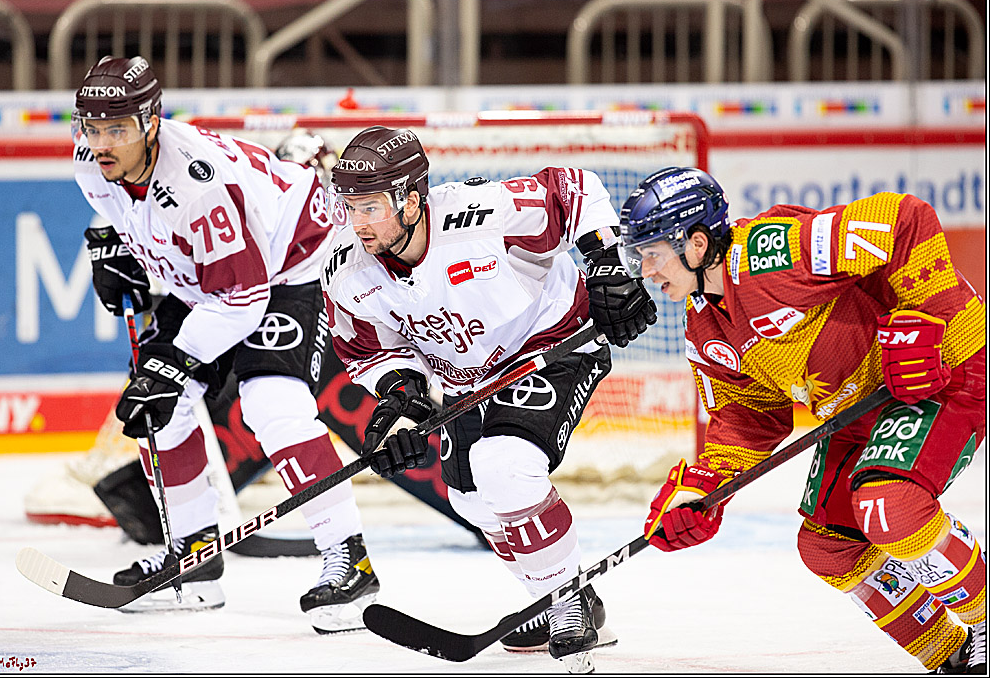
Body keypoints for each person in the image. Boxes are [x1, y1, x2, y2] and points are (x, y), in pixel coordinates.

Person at [619, 167, 986, 673]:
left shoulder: (771, 254)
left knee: (890, 507)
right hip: (864, 408)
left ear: (697, 244)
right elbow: (748, 417)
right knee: (828, 547)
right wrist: (703, 486)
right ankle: (953, 655)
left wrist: (928, 320)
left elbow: (903, 219)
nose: (645, 270)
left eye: (652, 253)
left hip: (945, 370)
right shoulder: (704, 326)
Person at [320, 125, 657, 672]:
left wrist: (608, 266)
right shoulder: (346, 269)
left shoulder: (483, 215)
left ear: (410, 200)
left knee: (505, 465)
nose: (357, 222)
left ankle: (566, 608)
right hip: (467, 381)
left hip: (551, 345)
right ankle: (560, 593)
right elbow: (367, 348)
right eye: (350, 207)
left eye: (370, 207)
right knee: (471, 501)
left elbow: (575, 189)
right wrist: (401, 394)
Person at [73, 55, 379, 631]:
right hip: (211, 275)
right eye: (93, 128)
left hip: (293, 260)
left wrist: (176, 360)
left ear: (151, 123)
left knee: (273, 404)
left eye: (118, 129)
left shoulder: (198, 185)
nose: (102, 142)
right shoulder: (91, 156)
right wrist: (107, 241)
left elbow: (243, 297)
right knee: (158, 407)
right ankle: (193, 560)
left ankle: (351, 561)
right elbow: (116, 206)